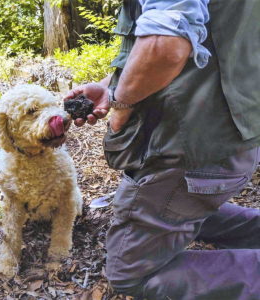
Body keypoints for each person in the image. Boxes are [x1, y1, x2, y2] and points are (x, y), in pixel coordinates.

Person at [64, 0, 260, 299]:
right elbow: (206, 37)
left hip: (190, 149)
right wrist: (112, 85)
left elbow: (165, 44)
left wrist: (121, 106)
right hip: (235, 135)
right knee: (185, 207)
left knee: (132, 274)